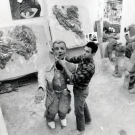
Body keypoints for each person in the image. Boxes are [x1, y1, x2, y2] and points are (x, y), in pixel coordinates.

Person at [57, 42, 98, 135]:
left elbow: (73, 79)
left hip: (81, 91)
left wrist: (64, 65)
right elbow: (73, 59)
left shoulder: (89, 67)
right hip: (80, 88)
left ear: (93, 54)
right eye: (84, 50)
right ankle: (88, 120)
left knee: (78, 112)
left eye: (87, 51)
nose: (84, 53)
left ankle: (80, 130)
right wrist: (64, 56)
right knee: (83, 104)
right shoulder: (84, 57)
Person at [34, 40, 76, 129]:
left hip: (64, 92)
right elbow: (42, 75)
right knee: (52, 109)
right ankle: (50, 119)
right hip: (52, 93)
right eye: (56, 49)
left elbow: (74, 77)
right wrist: (41, 88)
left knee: (63, 108)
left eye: (62, 48)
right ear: (52, 51)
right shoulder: (47, 65)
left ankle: (62, 117)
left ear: (66, 50)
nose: (59, 51)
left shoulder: (70, 65)